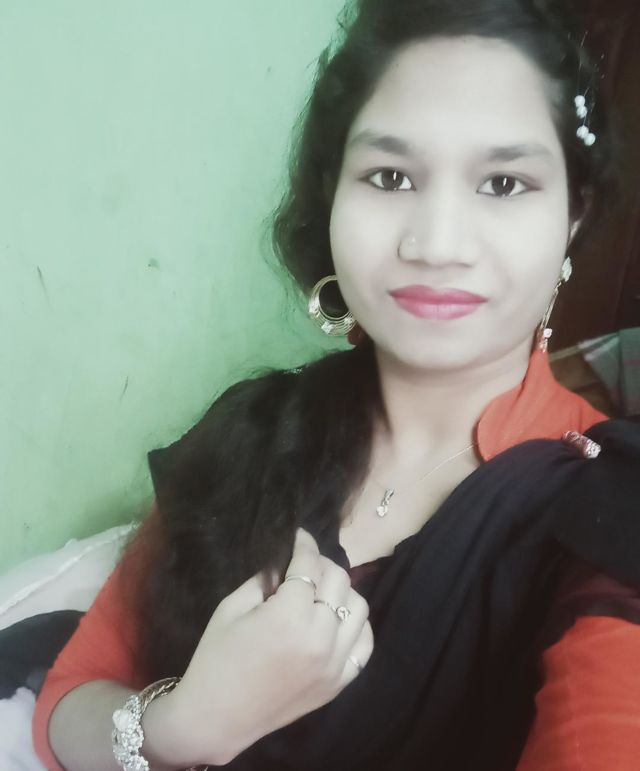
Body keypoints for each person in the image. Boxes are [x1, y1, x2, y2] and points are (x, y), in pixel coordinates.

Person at [33, 0, 640, 769]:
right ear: (332, 200)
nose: (437, 243)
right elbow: (68, 696)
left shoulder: (607, 502)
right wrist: (185, 724)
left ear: (575, 215)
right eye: (390, 176)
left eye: (503, 183)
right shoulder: (251, 430)